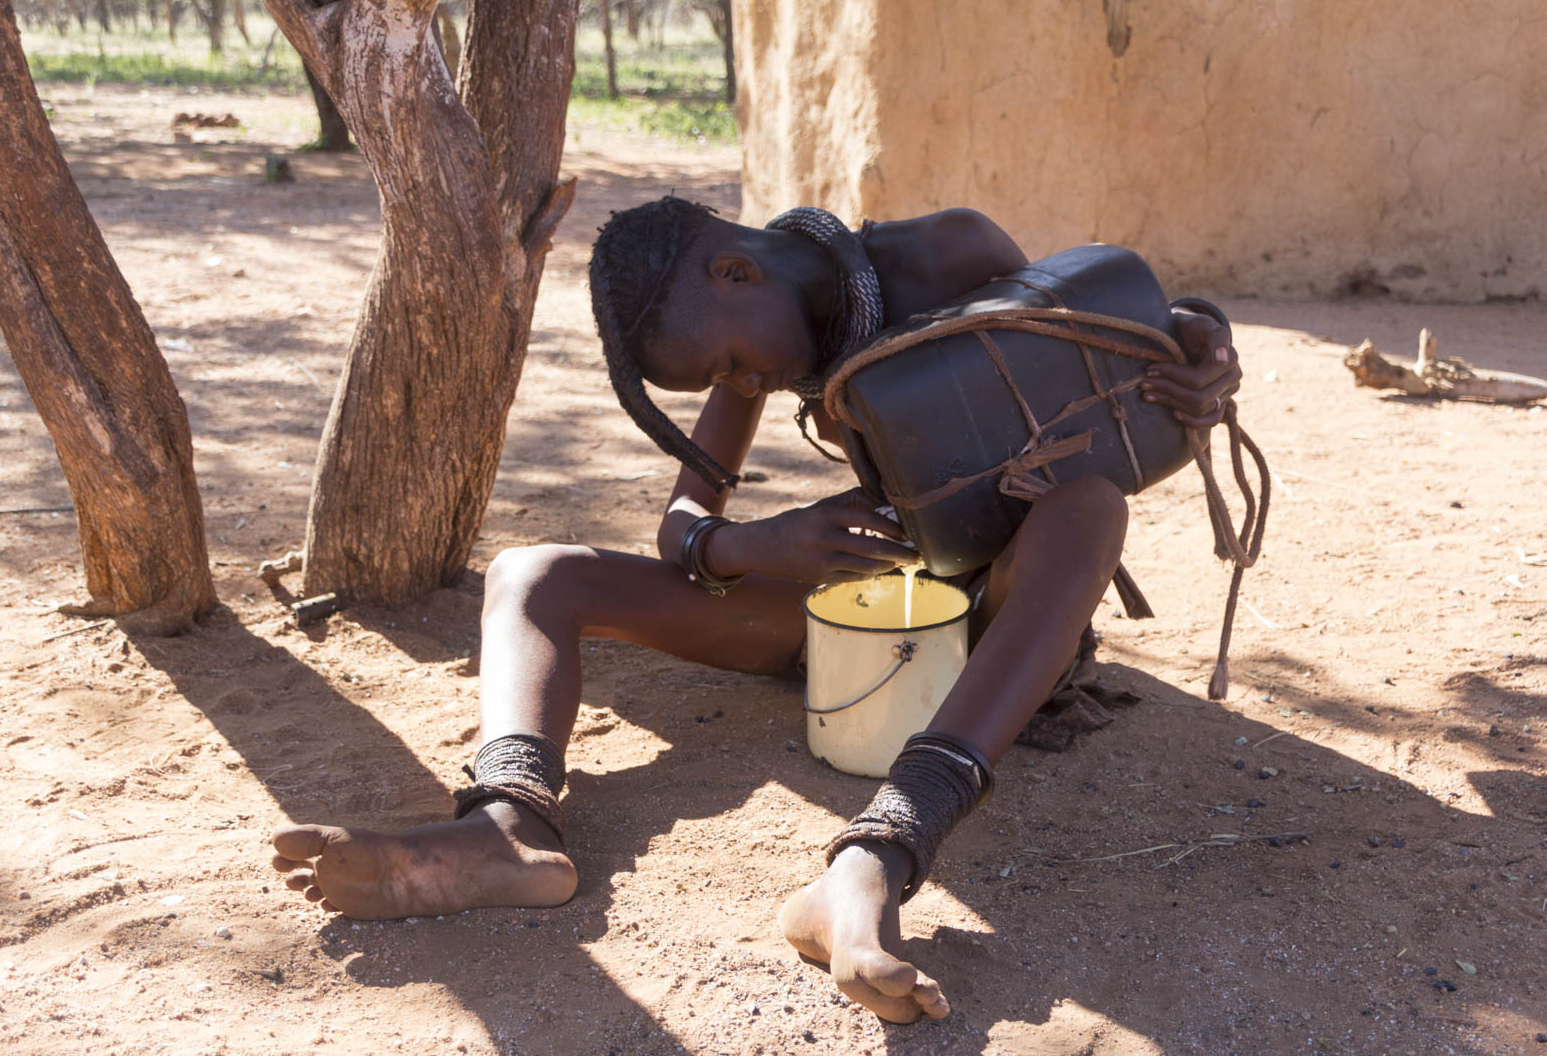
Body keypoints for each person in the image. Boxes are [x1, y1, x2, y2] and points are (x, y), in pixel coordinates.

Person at [269, 198, 1241, 1024]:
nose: (742, 387)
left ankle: (878, 853)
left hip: (983, 624)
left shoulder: (950, 257)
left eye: (731, 365)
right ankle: (508, 821)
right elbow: (684, 520)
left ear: (735, 271)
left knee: (1089, 507)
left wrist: (1195, 343)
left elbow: (1095, 352)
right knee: (533, 571)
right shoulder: (769, 330)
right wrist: (754, 545)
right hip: (848, 622)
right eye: (724, 381)